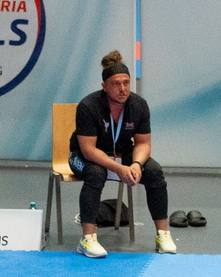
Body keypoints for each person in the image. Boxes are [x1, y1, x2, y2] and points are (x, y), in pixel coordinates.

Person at [71, 51, 175, 256]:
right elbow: (88, 150)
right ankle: (87, 239)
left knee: (154, 171)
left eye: (126, 83)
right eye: (116, 84)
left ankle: (162, 235)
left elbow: (143, 143)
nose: (123, 89)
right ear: (104, 86)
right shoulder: (88, 106)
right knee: (96, 173)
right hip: (83, 156)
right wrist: (118, 168)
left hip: (121, 153)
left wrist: (136, 164)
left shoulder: (139, 105)